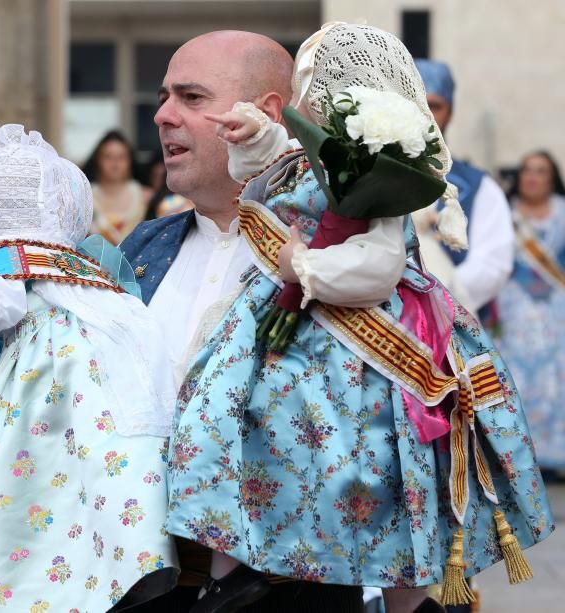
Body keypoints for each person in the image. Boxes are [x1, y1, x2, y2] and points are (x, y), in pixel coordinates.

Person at [157, 23, 553, 613]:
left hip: (360, 356)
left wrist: (306, 269)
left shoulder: (381, 176)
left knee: (375, 462)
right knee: (227, 425)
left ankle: (402, 591)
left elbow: (379, 266)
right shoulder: (307, 158)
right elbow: (267, 161)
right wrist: (250, 134)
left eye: (316, 89)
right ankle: (228, 565)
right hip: (278, 339)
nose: (306, 102)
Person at [121, 30, 367, 613]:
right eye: (163, 97)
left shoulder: (335, 249)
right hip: (154, 586)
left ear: (266, 116)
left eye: (191, 97)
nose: (162, 116)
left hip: (290, 587)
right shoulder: (142, 246)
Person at [0, 125, 178, 612]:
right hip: (41, 381)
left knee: (114, 462)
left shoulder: (84, 267)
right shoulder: (1, 257)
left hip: (93, 375)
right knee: (41, 477)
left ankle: (129, 556)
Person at [414, 59, 514, 314]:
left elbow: (493, 264)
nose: (426, 113)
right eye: (416, 103)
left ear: (450, 113)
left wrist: (433, 298)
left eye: (435, 106)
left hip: (453, 324)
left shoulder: (479, 187)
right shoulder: (369, 174)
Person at [493, 151, 565, 473]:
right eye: (527, 170)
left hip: (557, 310)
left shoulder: (563, 214)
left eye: (541, 171)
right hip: (512, 309)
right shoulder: (503, 214)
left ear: (552, 178)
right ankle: (519, 457)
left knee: (556, 380)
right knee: (515, 379)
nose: (533, 177)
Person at [83, 130, 153, 245]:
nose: (115, 163)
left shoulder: (146, 197)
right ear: (97, 160)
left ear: (130, 160)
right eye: (108, 157)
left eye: (122, 157)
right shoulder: (85, 196)